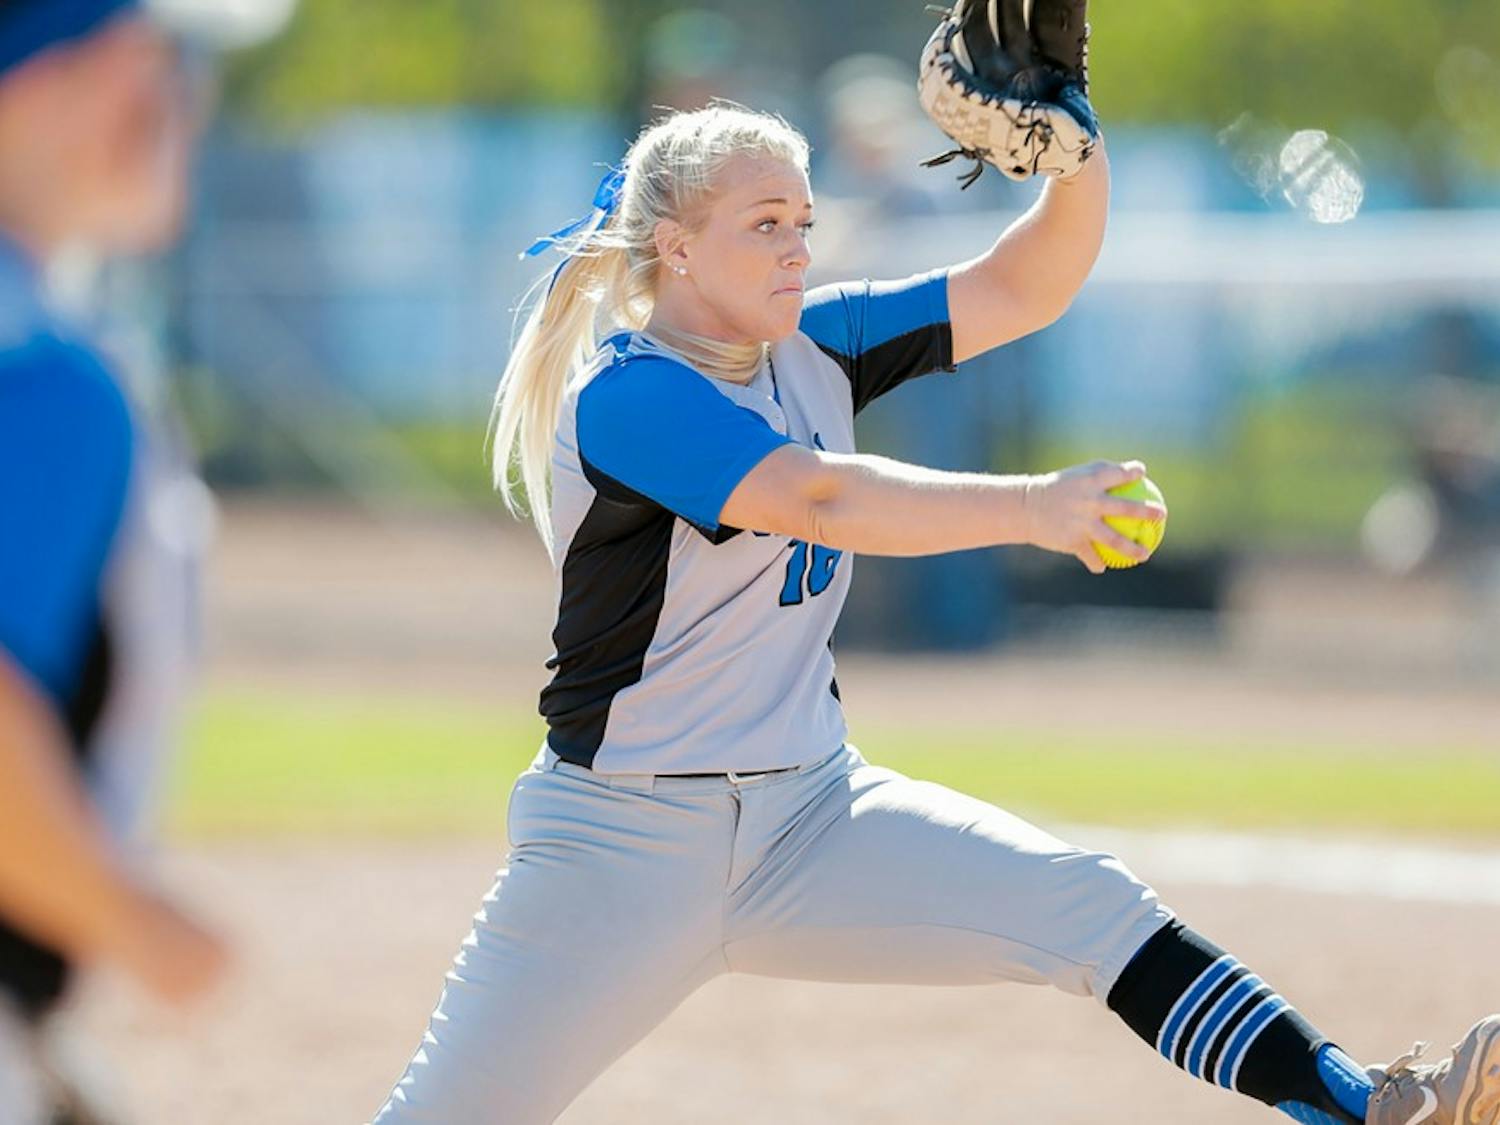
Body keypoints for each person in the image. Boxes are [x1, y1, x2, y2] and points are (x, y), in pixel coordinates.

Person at [372, 101, 1499, 1125]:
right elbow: (817, 496)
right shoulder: (628, 391)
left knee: (1093, 907)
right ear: (676, 246)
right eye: (764, 224)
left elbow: (1025, 286)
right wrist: (1034, 506)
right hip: (621, 844)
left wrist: (1078, 155)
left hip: (815, 815)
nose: (798, 247)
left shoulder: (817, 343)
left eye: (803, 221)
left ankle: (1369, 1106)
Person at [0, 0, 290, 1119]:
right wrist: (137, 927)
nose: (182, 101)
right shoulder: (39, 373)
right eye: (147, 59)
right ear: (38, 79)